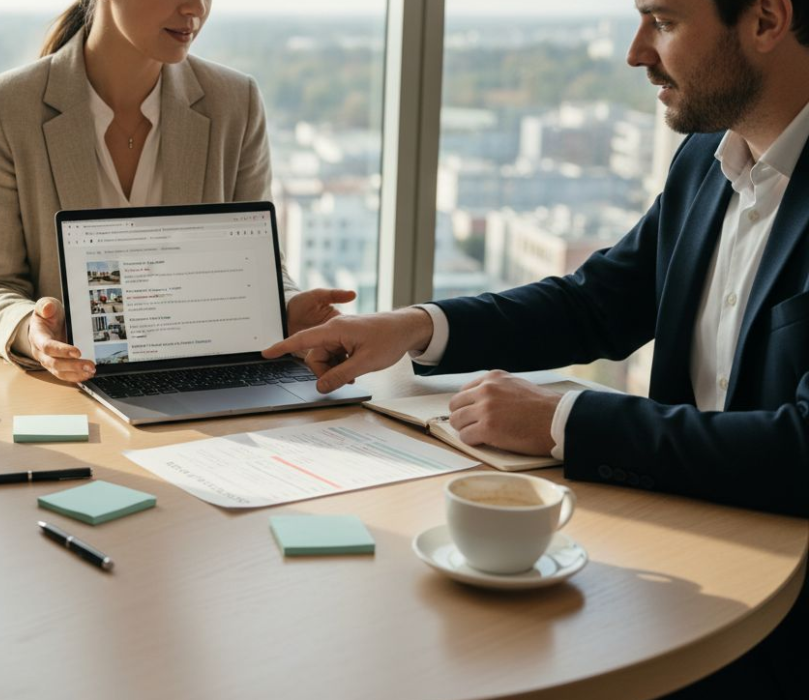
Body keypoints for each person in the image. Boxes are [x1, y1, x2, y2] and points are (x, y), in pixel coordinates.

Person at [266, 0, 807, 696]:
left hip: (780, 622)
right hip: (693, 561)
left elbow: (801, 447)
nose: (636, 52)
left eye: (663, 22)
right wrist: (413, 327)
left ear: (765, 21)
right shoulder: (707, 157)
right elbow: (598, 304)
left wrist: (562, 420)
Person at [0, 0, 353, 383]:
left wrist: (285, 308)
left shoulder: (236, 103)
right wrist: (33, 333)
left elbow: (254, 267)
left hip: (203, 389)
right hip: (63, 394)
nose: (195, 8)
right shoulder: (6, 107)